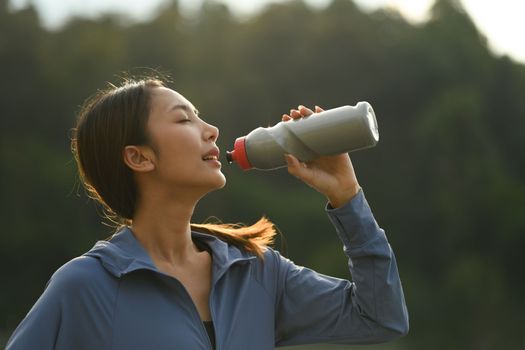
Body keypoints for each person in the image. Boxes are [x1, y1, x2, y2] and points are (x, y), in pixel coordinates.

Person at [6, 77, 409, 350]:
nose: (211, 128)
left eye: (200, 116)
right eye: (184, 118)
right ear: (139, 157)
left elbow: (381, 317)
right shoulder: (86, 285)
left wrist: (347, 196)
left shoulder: (257, 271)